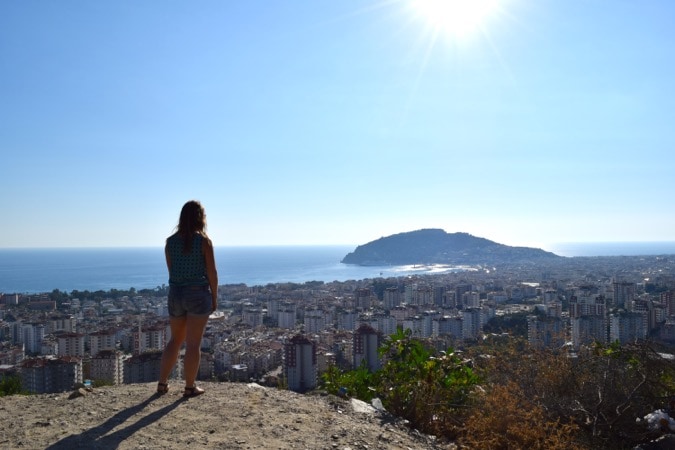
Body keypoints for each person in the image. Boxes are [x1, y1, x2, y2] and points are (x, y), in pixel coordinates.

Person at [157, 200, 218, 398]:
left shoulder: (170, 242)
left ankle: (162, 383)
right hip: (197, 294)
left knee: (175, 340)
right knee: (193, 344)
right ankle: (189, 387)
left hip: (176, 293)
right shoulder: (204, 241)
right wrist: (214, 297)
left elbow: (171, 270)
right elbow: (212, 273)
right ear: (201, 217)